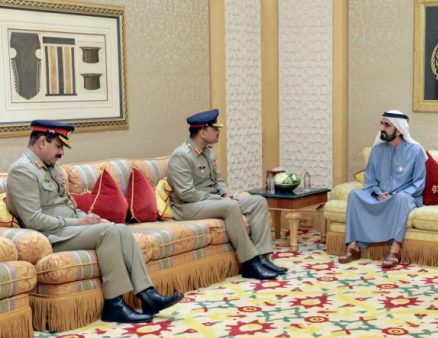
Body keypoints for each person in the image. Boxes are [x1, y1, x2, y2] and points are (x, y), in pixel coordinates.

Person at [7, 120, 183, 323]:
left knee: (117, 228)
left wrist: (88, 218)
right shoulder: (22, 171)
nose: (62, 152)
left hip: (68, 229)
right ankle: (114, 305)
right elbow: (34, 220)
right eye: (59, 145)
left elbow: (68, 206)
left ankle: (147, 295)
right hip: (51, 235)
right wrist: (79, 224)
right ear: (41, 142)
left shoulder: (52, 167)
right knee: (108, 232)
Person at [167, 109, 285, 280]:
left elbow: (218, 180)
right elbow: (186, 194)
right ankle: (249, 263)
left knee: (258, 201)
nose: (218, 132)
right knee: (229, 206)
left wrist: (226, 193)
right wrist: (220, 198)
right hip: (187, 207)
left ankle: (262, 257)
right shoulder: (181, 156)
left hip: (212, 201)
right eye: (215, 129)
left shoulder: (208, 151)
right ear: (203, 131)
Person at [339, 110, 427, 269]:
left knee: (401, 199)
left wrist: (393, 194)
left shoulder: (416, 151)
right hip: (379, 195)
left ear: (399, 130)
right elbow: (370, 179)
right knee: (354, 195)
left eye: (387, 125)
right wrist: (378, 193)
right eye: (382, 123)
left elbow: (419, 183)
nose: (382, 128)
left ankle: (395, 249)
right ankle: (353, 246)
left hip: (405, 196)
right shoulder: (377, 150)